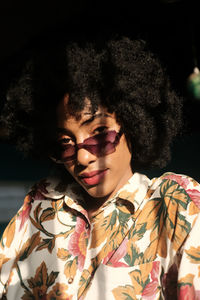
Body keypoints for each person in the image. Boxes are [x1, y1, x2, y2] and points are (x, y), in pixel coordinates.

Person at [0, 35, 200, 300]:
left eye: (100, 133)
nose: (82, 158)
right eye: (65, 142)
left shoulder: (174, 204)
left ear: (134, 123)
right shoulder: (38, 206)